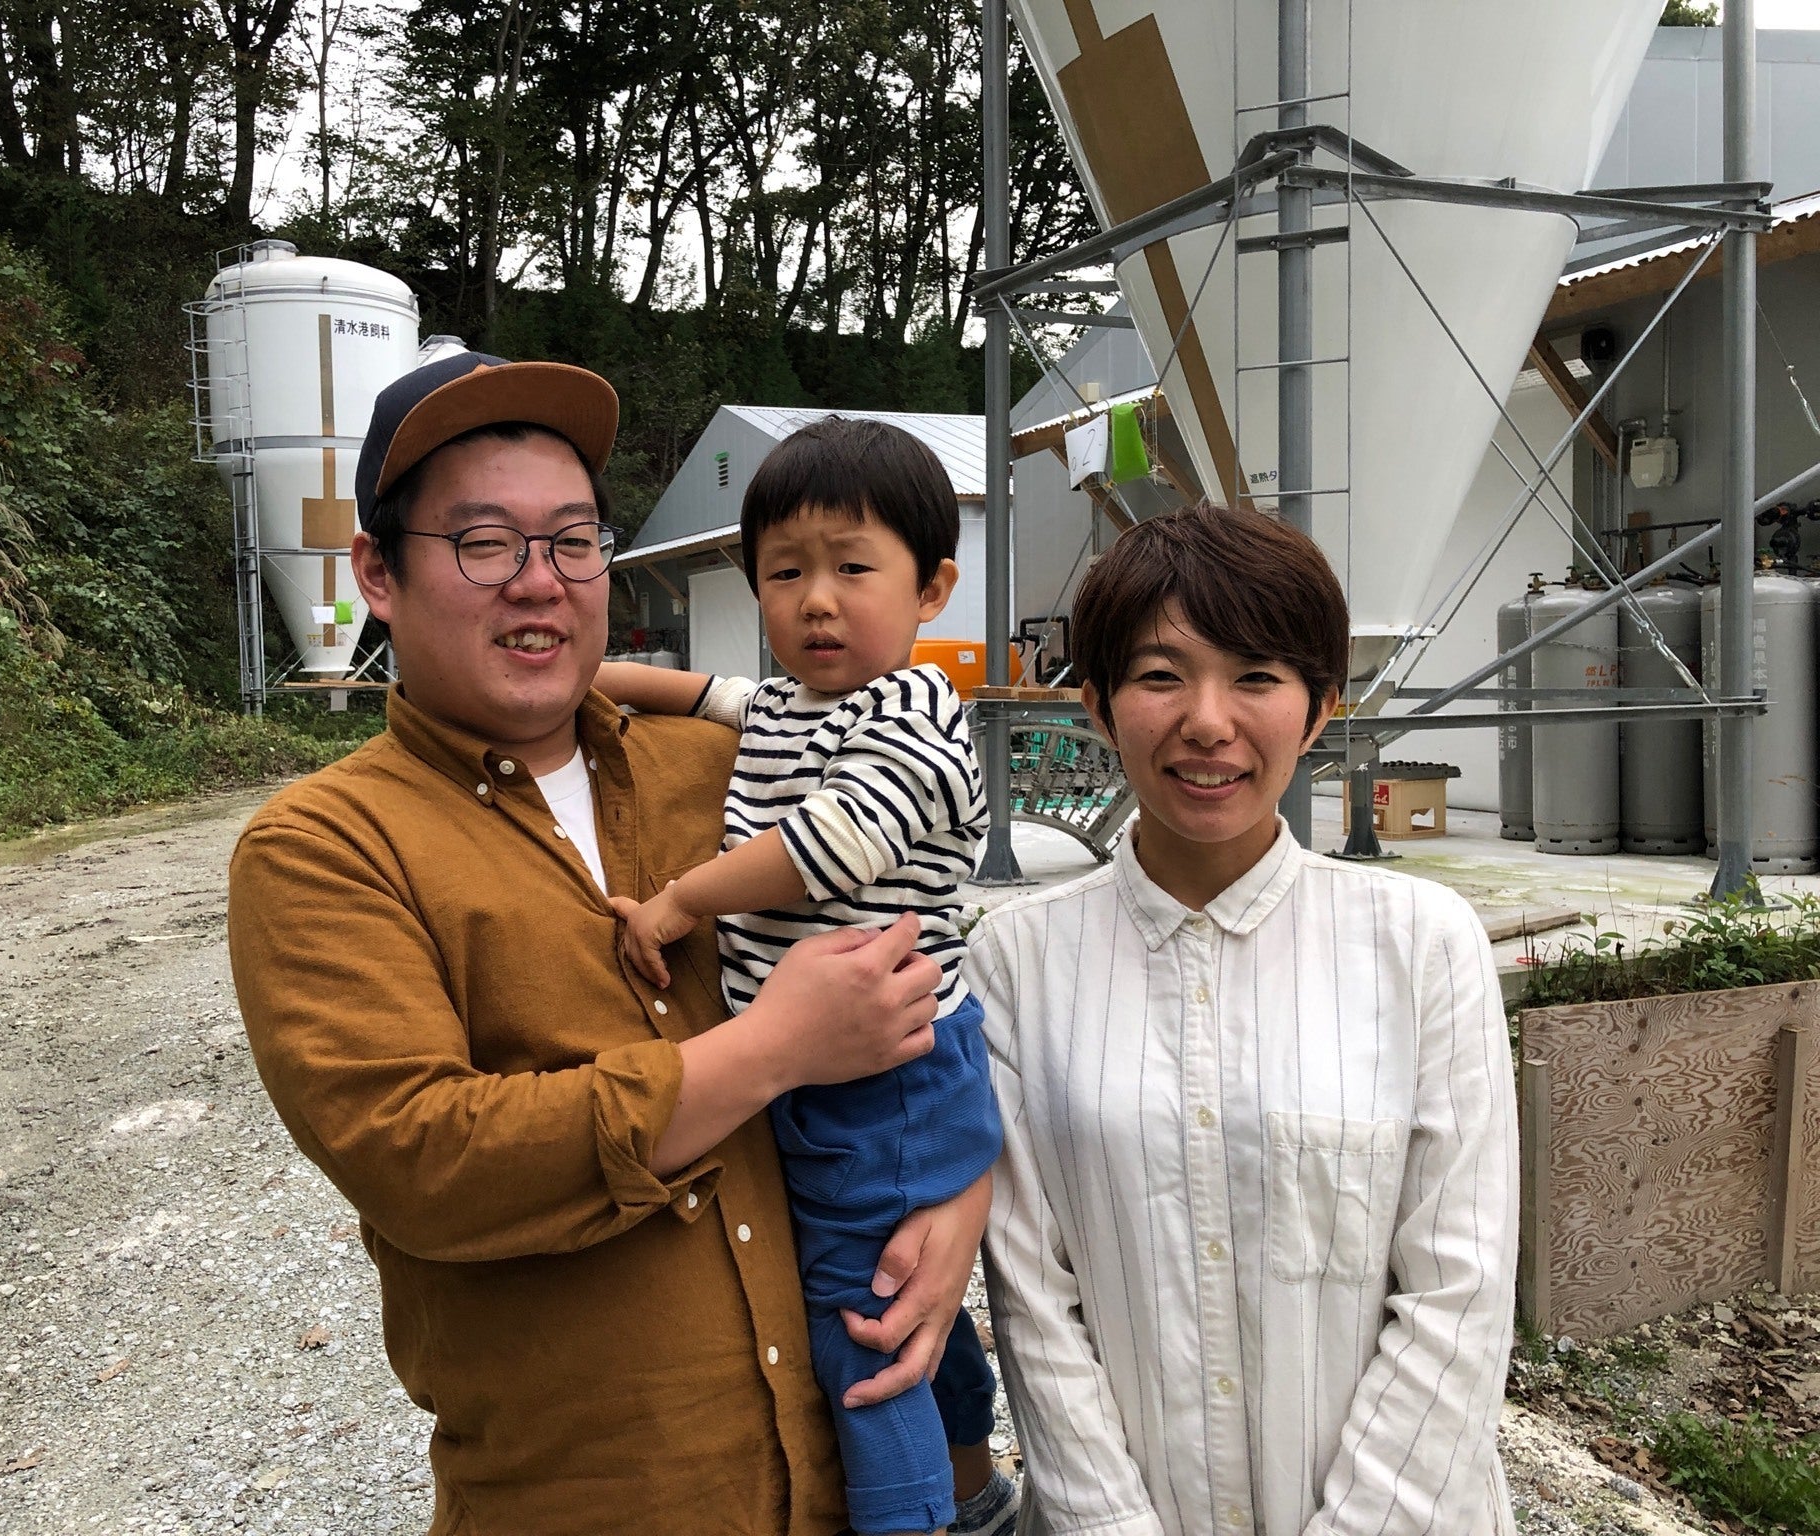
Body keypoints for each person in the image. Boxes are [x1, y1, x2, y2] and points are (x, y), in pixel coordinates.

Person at [226, 350, 994, 1536]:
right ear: (376, 572)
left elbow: (930, 954)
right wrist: (769, 1051)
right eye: (485, 543)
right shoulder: (327, 847)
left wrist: (963, 1193)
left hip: (838, 1487)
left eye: (572, 541)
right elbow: (421, 1158)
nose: (539, 583)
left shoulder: (732, 764)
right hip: (595, 1503)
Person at [967, 504, 1518, 1536]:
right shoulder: (1017, 960)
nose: (1208, 722)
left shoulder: (1422, 944)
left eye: (1256, 676)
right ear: (1097, 706)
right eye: (1160, 675)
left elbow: (1459, 1290)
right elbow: (1032, 1300)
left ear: (1318, 711)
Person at [600, 417, 1019, 1536]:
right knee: (905, 1289)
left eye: (850, 569)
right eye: (784, 573)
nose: (816, 601)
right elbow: (696, 693)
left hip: (888, 1077)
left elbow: (825, 848)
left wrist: (682, 898)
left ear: (931, 590)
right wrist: (579, 680)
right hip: (842, 1066)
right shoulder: (785, 706)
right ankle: (974, 1488)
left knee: (858, 1318)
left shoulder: (915, 720)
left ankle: (910, 1515)